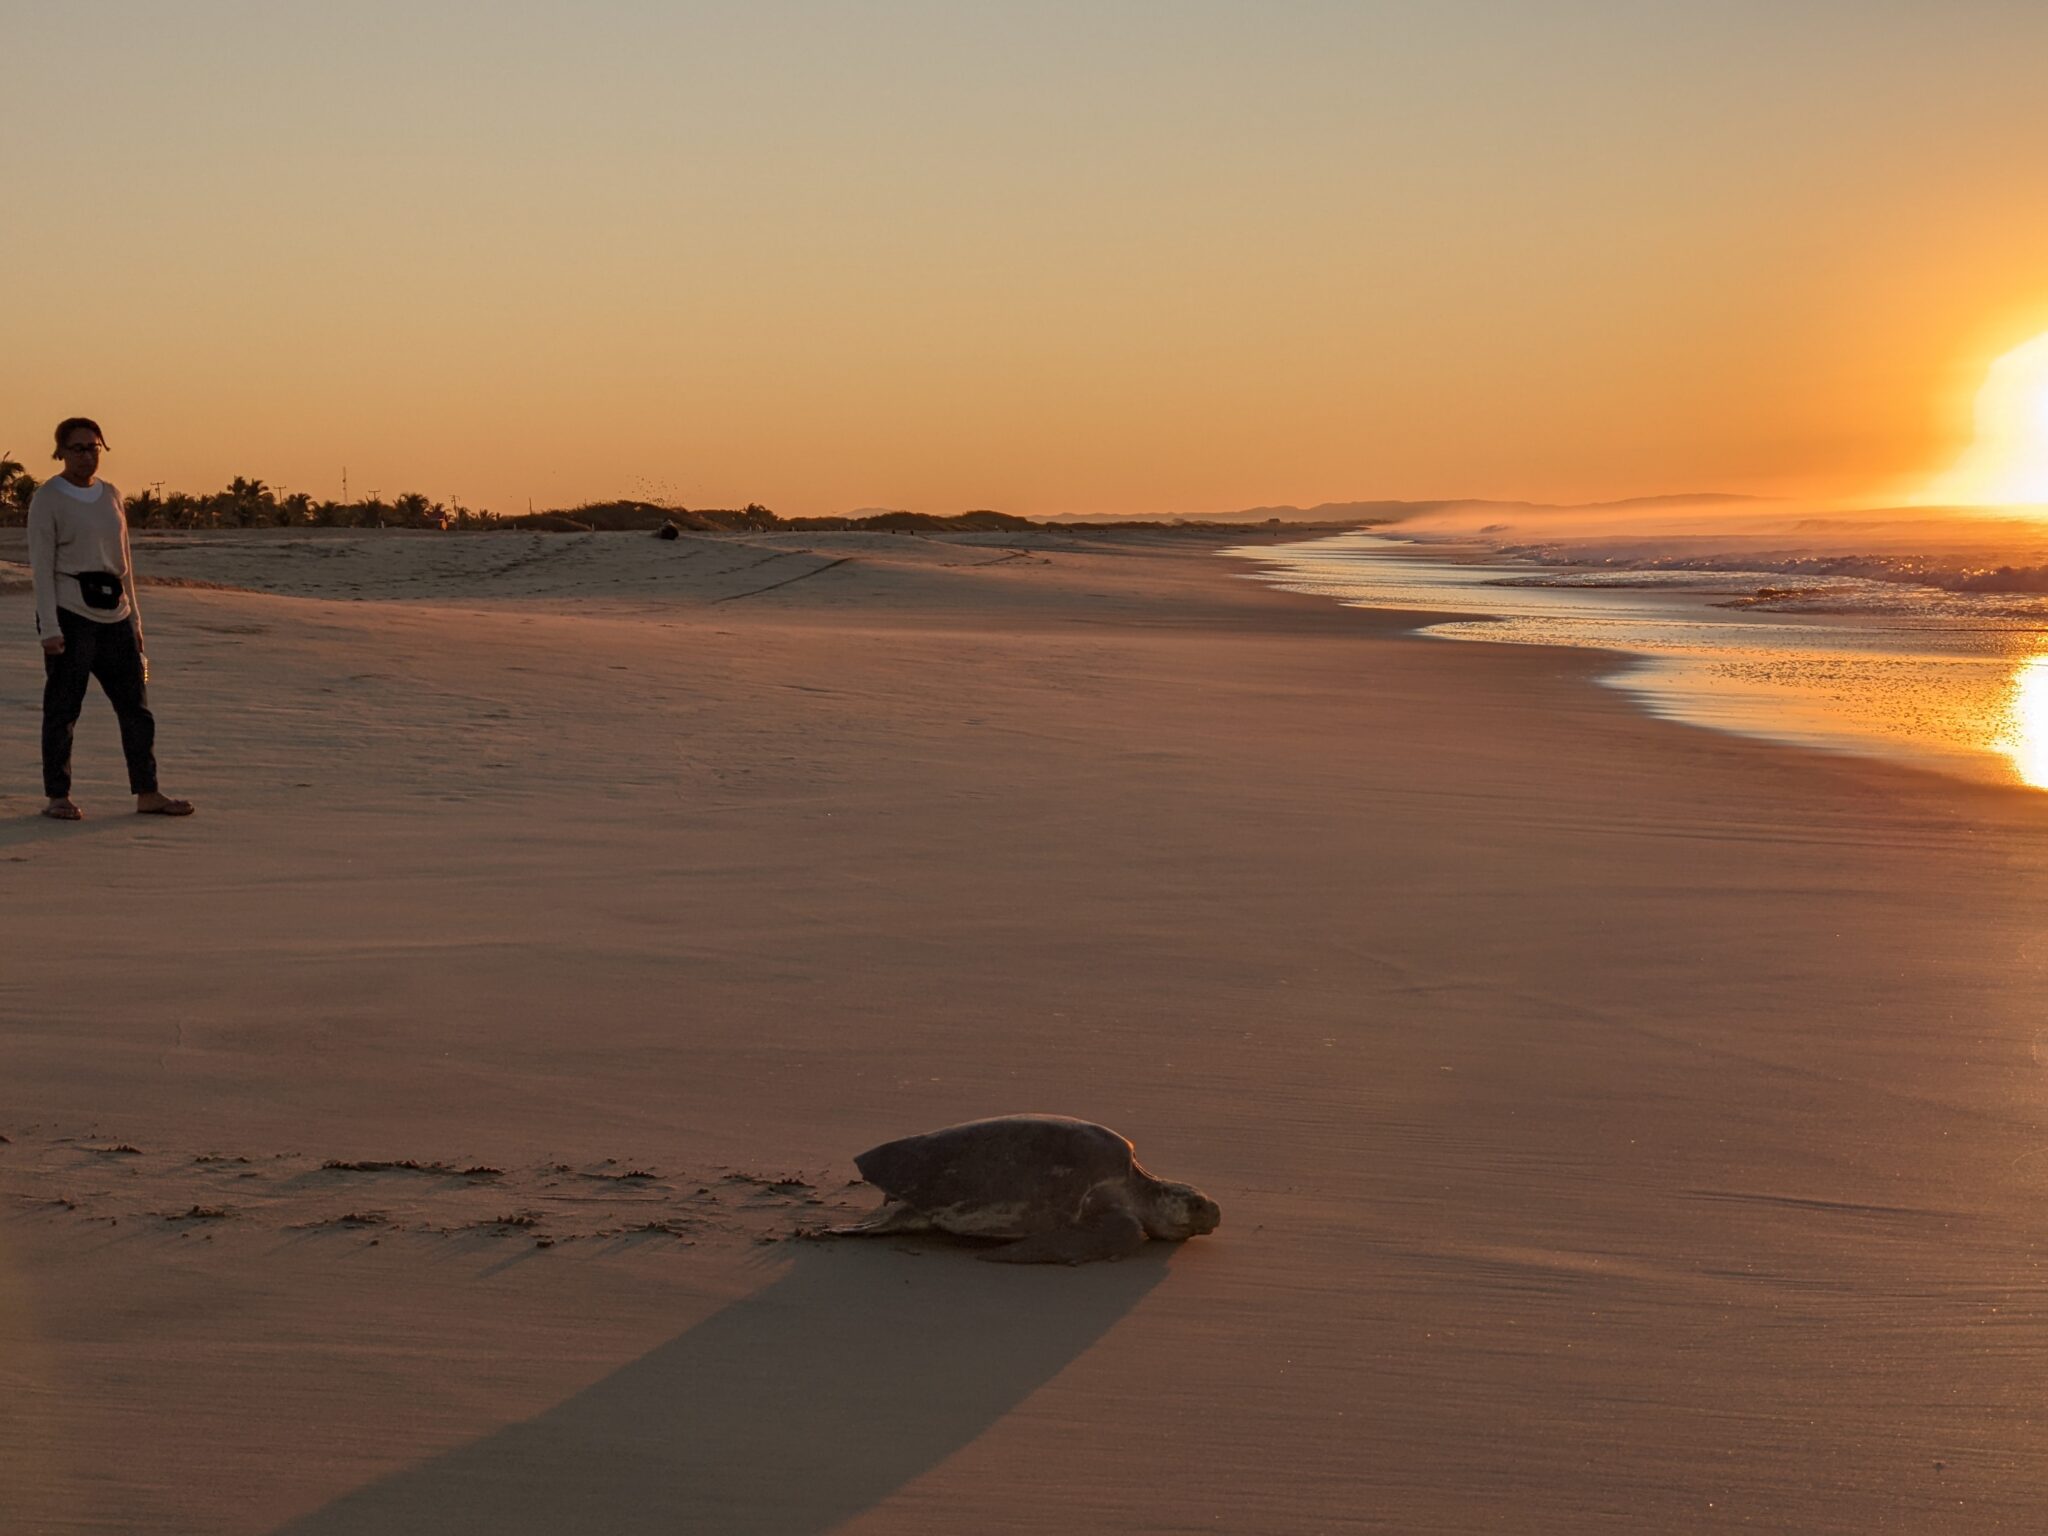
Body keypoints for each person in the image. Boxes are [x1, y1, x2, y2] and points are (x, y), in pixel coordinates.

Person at [28, 417, 193, 820]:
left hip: (115, 614)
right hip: (70, 613)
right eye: (78, 448)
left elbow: (125, 565)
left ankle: (148, 792)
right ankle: (58, 796)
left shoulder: (111, 495)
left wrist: (136, 624)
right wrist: (50, 628)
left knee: (136, 709)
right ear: (61, 452)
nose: (87, 455)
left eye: (94, 447)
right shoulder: (48, 497)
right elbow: (41, 566)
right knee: (64, 709)